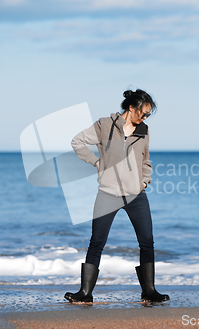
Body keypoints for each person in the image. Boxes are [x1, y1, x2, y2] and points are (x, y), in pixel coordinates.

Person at [64, 89, 170, 303]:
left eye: (148, 114)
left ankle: (149, 291)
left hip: (135, 195)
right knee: (97, 242)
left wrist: (144, 181)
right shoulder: (104, 125)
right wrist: (96, 162)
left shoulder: (144, 130)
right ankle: (85, 294)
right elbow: (77, 141)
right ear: (131, 107)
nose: (145, 117)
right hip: (108, 193)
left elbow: (145, 159)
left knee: (147, 242)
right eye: (143, 112)